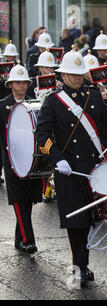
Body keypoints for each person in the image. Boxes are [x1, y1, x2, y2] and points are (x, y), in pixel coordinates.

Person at [36, 50, 107, 286]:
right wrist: (57, 159)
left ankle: (82, 264)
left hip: (93, 168)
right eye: (72, 75)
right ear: (63, 75)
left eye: (79, 74)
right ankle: (80, 266)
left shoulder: (93, 95)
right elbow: (42, 136)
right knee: (76, 222)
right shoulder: (53, 102)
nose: (77, 78)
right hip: (68, 170)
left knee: (89, 219)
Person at [0, 65, 43, 254]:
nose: (22, 85)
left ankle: (19, 238)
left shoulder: (34, 104)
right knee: (18, 199)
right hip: (12, 158)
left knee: (27, 200)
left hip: (31, 159)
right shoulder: (2, 106)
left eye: (24, 82)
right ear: (10, 84)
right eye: (17, 82)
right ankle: (28, 240)